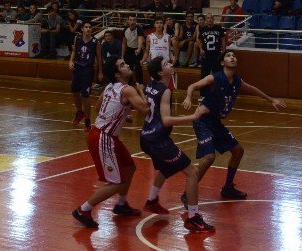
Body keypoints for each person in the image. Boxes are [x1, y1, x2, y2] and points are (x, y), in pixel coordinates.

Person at [182, 50, 285, 201]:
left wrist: (270, 99)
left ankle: (228, 188)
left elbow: (252, 89)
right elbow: (192, 86)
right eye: (229, 56)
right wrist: (188, 98)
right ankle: (187, 193)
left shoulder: (237, 81)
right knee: (210, 156)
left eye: (234, 56)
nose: (232, 57)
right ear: (222, 63)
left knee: (238, 151)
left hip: (215, 122)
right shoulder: (214, 77)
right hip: (202, 121)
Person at [72, 56, 149, 229]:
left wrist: (122, 114)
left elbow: (99, 108)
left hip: (104, 135)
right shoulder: (128, 90)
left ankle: (121, 205)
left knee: (129, 167)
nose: (127, 65)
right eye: (123, 64)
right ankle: (83, 209)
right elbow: (144, 109)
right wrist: (142, 90)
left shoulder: (109, 87)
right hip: (103, 137)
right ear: (117, 74)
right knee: (117, 183)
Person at [140, 56, 214, 232]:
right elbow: (166, 120)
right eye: (166, 64)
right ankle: (193, 218)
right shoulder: (165, 90)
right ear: (160, 72)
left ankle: (152, 200)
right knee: (192, 172)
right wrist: (194, 116)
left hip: (146, 138)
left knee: (167, 168)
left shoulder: (151, 85)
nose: (170, 64)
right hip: (158, 140)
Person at [69, 22, 101, 131]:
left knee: (85, 95)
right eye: (86, 27)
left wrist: (100, 72)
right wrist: (70, 61)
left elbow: (99, 58)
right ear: (82, 29)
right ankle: (79, 112)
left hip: (88, 69)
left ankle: (87, 120)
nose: (88, 29)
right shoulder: (77, 38)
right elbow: (74, 51)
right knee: (74, 91)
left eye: (90, 27)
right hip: (77, 67)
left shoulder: (95, 42)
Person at [196, 13, 225, 87]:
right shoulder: (203, 29)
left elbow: (223, 40)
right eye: (208, 18)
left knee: (218, 75)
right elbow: (199, 40)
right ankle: (203, 94)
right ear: (206, 20)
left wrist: (223, 52)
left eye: (211, 18)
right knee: (204, 75)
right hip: (206, 55)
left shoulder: (218, 28)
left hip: (216, 55)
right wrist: (201, 48)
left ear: (213, 19)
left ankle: (219, 92)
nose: (210, 19)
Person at [122, 15, 144, 85]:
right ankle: (128, 84)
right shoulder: (125, 30)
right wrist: (122, 56)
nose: (132, 22)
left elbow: (140, 40)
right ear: (128, 21)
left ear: (136, 21)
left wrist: (139, 49)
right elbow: (124, 43)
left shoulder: (139, 29)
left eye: (134, 20)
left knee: (138, 68)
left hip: (137, 50)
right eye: (130, 20)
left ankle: (140, 84)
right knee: (128, 68)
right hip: (128, 50)